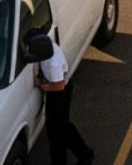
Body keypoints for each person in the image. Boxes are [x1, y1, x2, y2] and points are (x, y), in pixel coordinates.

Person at [31, 27, 94, 165]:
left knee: (58, 129)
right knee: (58, 128)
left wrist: (41, 85)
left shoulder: (52, 61)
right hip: (59, 89)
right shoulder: (46, 48)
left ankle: (80, 155)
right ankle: (77, 155)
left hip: (59, 93)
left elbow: (59, 85)